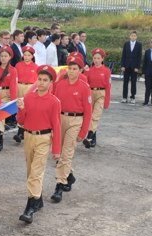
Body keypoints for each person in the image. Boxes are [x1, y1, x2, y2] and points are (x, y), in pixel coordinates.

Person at [17, 65, 61, 224]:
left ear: (51, 83)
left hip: (44, 138)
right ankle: (38, 198)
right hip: (28, 136)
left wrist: (56, 149)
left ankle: (30, 207)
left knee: (35, 173)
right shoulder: (28, 97)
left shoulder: (54, 102)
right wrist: (21, 109)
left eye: (45, 80)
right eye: (39, 79)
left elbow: (56, 125)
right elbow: (21, 121)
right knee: (30, 172)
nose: (41, 83)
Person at [51, 56, 92, 203]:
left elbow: (88, 111)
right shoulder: (60, 85)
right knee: (60, 153)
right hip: (60, 119)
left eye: (75, 69)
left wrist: (83, 132)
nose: (72, 71)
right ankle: (70, 175)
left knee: (67, 153)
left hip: (76, 121)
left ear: (81, 70)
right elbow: (53, 104)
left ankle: (59, 184)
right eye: (70, 68)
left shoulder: (84, 87)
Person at [0, 46, 18, 151]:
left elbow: (13, 86)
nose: (3, 58)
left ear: (10, 57)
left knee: (0, 115)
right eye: (2, 56)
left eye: (6, 56)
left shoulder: (12, 70)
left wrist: (13, 102)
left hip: (6, 94)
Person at [82, 48, 111, 148]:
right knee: (90, 115)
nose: (96, 60)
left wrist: (106, 101)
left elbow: (108, 86)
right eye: (94, 58)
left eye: (98, 58)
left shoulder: (106, 71)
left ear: (102, 59)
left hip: (101, 93)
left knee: (96, 115)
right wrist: (85, 72)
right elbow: (85, 83)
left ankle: (89, 136)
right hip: (90, 93)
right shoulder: (89, 70)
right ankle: (92, 139)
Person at [13, 46, 38, 143]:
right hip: (19, 86)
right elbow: (15, 79)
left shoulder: (35, 67)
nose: (27, 57)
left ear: (32, 56)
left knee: (27, 108)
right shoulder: (18, 65)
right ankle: (20, 129)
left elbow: (36, 82)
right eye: (25, 55)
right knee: (20, 107)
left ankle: (21, 130)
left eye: (29, 55)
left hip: (30, 88)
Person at [120, 30, 142, 104]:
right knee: (125, 83)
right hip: (126, 67)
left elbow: (139, 57)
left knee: (133, 83)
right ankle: (124, 97)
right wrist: (122, 65)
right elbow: (123, 55)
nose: (133, 37)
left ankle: (133, 97)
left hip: (134, 67)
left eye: (134, 36)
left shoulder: (139, 45)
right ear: (130, 36)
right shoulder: (126, 44)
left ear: (136, 37)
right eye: (132, 35)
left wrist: (137, 67)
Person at [142, 39, 152, 106]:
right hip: (148, 73)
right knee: (147, 87)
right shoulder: (147, 52)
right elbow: (144, 62)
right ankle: (146, 101)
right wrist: (143, 72)